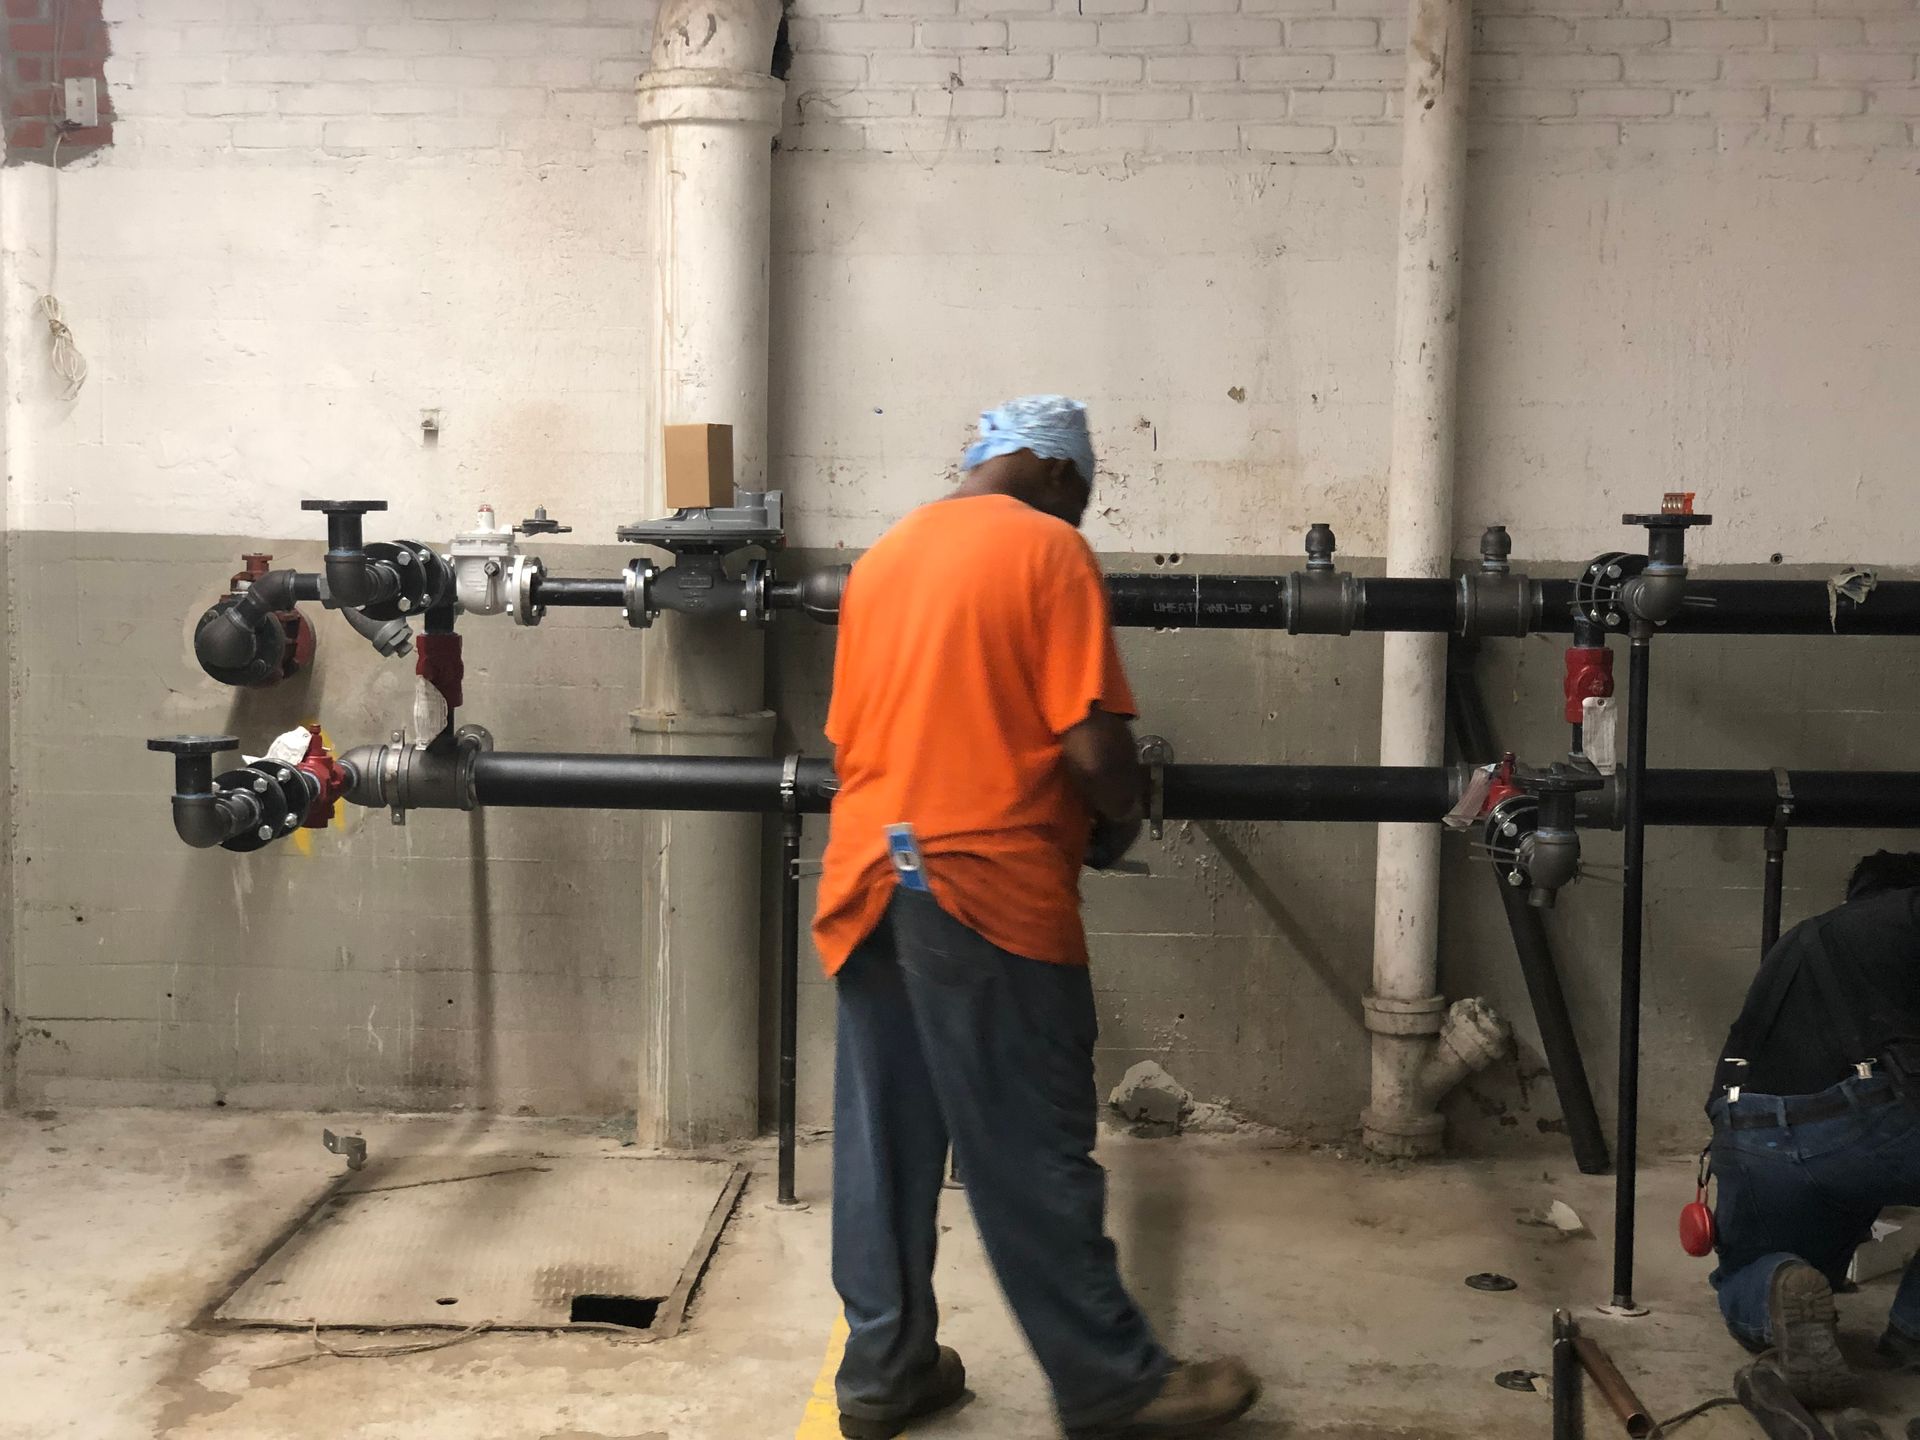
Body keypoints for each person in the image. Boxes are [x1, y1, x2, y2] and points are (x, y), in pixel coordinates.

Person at [812, 396, 1261, 1440]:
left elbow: (854, 741)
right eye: (1087, 496)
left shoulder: (883, 560)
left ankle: (885, 1373)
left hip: (868, 882)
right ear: (1057, 474)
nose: (1082, 517)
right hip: (982, 889)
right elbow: (1093, 752)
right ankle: (1114, 1383)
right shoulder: (1048, 551)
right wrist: (1125, 805)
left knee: (886, 1143)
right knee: (1029, 1146)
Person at [1706, 849, 1920, 1407]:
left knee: (1751, 1270)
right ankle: (1914, 1331)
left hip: (1747, 1134)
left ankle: (1780, 1287)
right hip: (1865, 1124)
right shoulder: (1907, 914)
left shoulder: (1798, 942)